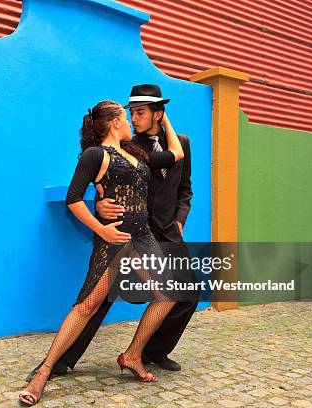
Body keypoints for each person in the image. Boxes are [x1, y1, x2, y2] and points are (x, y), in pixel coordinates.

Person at [26, 84, 196, 382]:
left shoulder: (167, 145)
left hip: (159, 232)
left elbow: (182, 179)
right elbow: (92, 185)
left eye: (140, 112)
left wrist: (179, 220)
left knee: (181, 293)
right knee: (95, 300)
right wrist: (101, 208)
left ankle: (146, 352)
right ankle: (56, 363)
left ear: (157, 113)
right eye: (129, 113)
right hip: (122, 232)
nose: (134, 117)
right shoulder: (122, 146)